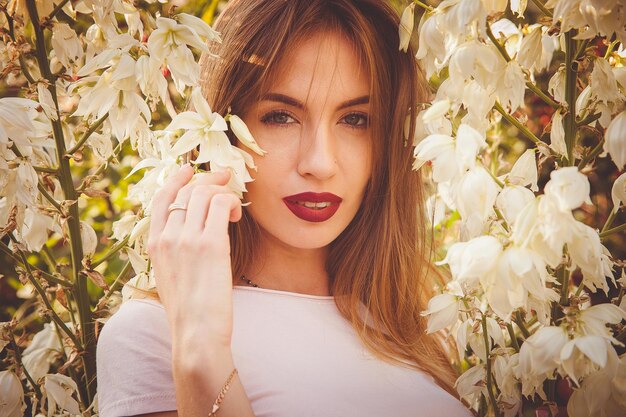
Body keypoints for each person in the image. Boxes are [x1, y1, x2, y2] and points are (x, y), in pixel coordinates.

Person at [96, 1, 474, 416]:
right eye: (280, 116)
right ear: (224, 131)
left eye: (356, 119)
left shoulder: (409, 326)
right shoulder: (152, 333)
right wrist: (200, 353)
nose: (319, 163)